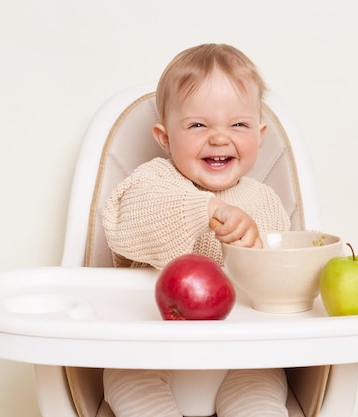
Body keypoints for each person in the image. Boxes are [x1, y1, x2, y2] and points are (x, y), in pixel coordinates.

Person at [101, 43, 291, 417]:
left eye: (238, 124)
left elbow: (281, 286)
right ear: (165, 138)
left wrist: (262, 258)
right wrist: (206, 209)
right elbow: (128, 222)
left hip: (243, 349)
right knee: (126, 378)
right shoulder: (153, 181)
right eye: (198, 125)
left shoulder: (265, 201)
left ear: (260, 134)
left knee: (262, 387)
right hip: (152, 343)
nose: (219, 138)